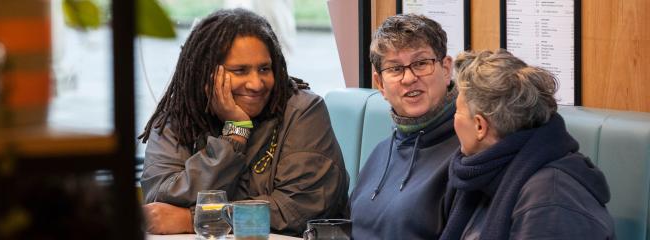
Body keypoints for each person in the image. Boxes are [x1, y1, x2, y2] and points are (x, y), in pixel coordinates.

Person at [139, 8, 348, 236]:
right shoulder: (181, 116)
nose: (256, 84)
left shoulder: (303, 111)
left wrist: (197, 219)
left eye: (264, 69)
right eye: (240, 71)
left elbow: (301, 209)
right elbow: (160, 203)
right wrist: (235, 134)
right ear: (205, 73)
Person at [440, 49, 614, 239]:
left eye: (457, 111)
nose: (454, 119)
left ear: (480, 126)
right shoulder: (483, 175)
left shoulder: (551, 203)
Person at [349, 14, 459, 239]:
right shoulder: (380, 152)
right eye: (395, 69)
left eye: (420, 63)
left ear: (446, 69)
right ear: (380, 83)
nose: (409, 78)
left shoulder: (468, 154)